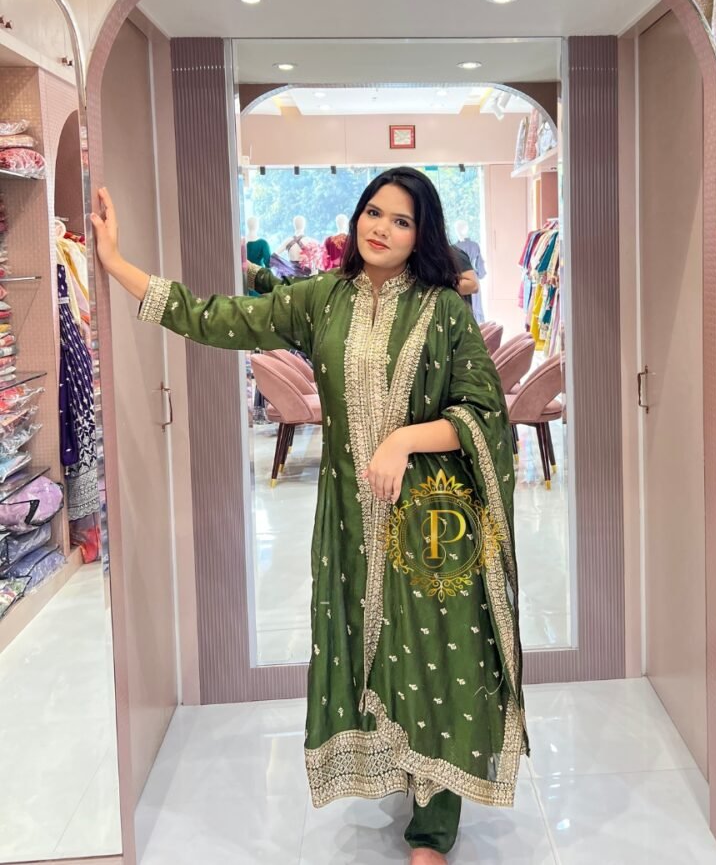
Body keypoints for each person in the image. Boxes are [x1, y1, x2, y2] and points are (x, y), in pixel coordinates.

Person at [91, 165, 529, 864]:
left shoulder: (442, 310)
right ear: (356, 218)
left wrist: (403, 437)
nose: (381, 228)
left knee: (436, 649)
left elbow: (485, 413)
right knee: (376, 650)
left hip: (428, 520)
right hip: (352, 525)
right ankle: (400, 772)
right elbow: (216, 318)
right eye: (373, 212)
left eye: (402, 219)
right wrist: (115, 264)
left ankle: (432, 824)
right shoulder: (322, 298)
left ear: (422, 235)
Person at [453, 220, 487, 322]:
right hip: (471, 279)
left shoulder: (455, 249)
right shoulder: (474, 246)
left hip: (463, 282)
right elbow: (481, 272)